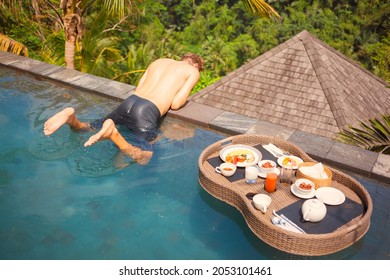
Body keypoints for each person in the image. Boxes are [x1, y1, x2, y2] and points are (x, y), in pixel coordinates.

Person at [43, 53, 204, 165]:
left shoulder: (159, 61)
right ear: (196, 64)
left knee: (90, 128)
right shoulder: (192, 71)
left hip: (130, 102)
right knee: (144, 157)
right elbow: (176, 104)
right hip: (148, 110)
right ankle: (113, 134)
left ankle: (72, 119)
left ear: (182, 58)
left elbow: (138, 88)